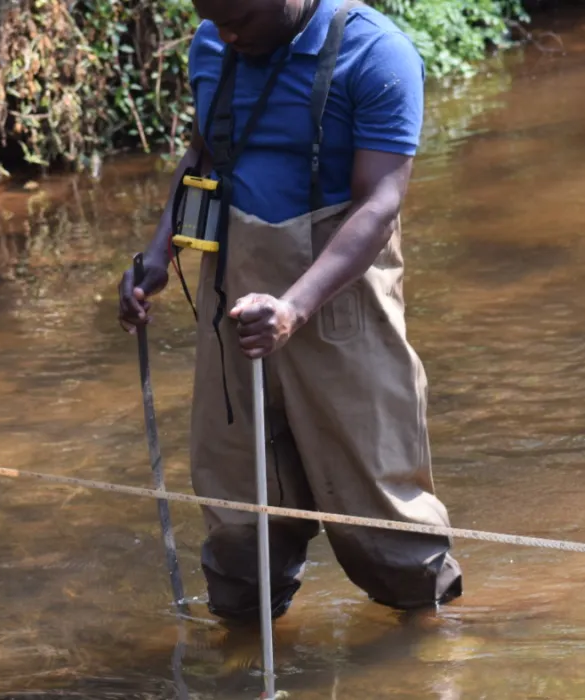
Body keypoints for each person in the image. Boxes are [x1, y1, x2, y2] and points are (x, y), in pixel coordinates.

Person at [117, 0, 463, 624]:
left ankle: (423, 647)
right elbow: (204, 156)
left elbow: (380, 204)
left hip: (341, 307)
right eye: (213, 20)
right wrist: (159, 254)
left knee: (380, 509)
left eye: (240, 21)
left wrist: (293, 310)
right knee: (238, 507)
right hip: (231, 298)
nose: (227, 35)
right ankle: (242, 644)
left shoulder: (376, 54)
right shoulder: (213, 45)